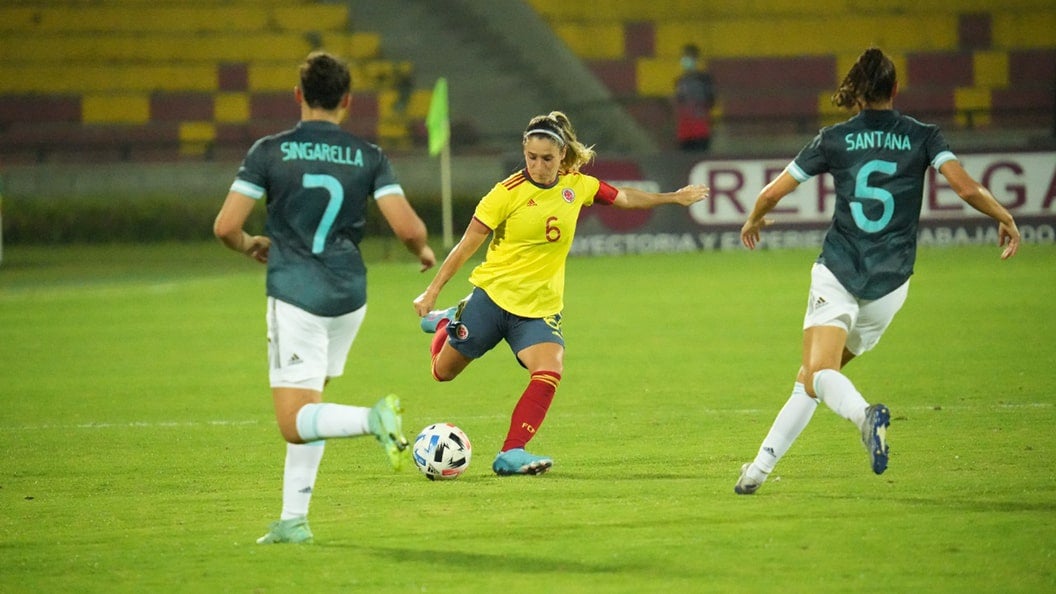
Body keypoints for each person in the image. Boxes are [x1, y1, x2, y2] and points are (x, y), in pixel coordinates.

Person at [734, 47, 1020, 495]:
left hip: (840, 268)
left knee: (819, 373)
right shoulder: (924, 135)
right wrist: (1003, 215)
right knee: (812, 377)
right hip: (890, 285)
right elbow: (964, 186)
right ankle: (757, 471)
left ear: (858, 92)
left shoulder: (834, 138)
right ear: (895, 90)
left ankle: (865, 416)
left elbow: (773, 193)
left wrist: (753, 217)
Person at [213, 51, 437, 542]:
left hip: (297, 293)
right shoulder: (368, 155)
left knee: (294, 421)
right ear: (347, 101)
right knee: (310, 406)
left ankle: (373, 419)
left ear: (298, 96)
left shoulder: (269, 151)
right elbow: (407, 227)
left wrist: (251, 244)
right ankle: (294, 520)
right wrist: (421, 248)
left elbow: (226, 226)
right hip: (349, 296)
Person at [412, 111, 709, 476]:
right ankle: (447, 321)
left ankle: (512, 452)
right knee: (442, 374)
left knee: (550, 369)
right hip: (492, 298)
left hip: (537, 309)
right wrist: (431, 291)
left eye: (547, 159)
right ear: (524, 153)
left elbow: (626, 198)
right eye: (531, 158)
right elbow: (464, 247)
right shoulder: (505, 194)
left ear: (563, 154)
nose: (538, 166)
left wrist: (673, 197)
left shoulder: (577, 186)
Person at [673, 43, 716, 152]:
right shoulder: (680, 81)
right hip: (684, 131)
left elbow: (711, 101)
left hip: (700, 130)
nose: (685, 60)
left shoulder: (704, 79)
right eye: (684, 56)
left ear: (696, 59)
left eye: (689, 57)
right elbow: (678, 102)